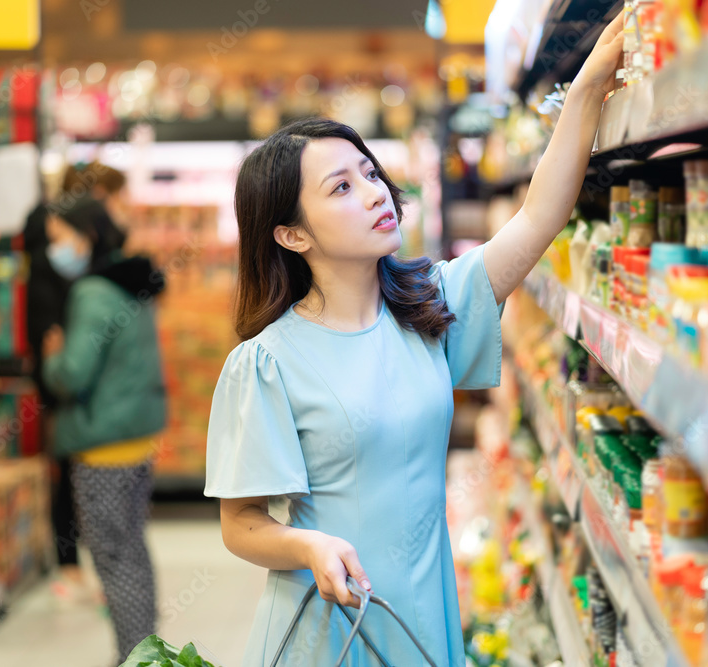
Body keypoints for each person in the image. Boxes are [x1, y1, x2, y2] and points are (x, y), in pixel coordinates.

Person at [203, 16, 623, 667]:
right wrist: (308, 546)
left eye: (369, 173)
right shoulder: (266, 362)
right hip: (332, 621)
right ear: (291, 234)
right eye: (341, 188)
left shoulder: (430, 306)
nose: (375, 193)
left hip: (423, 614)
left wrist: (590, 84)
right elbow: (242, 523)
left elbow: (540, 214)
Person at [40, 196, 168, 664]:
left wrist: (52, 354)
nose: (55, 250)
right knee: (131, 550)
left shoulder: (91, 292)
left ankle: (135, 656)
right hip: (134, 435)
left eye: (58, 239)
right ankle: (146, 653)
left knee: (114, 558)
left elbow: (73, 373)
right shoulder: (128, 281)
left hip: (103, 443)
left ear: (85, 236)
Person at [23, 167, 130, 605]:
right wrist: (57, 361)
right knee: (74, 480)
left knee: (84, 487)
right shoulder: (85, 285)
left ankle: (93, 577)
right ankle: (75, 568)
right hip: (75, 395)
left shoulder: (95, 283)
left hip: (80, 393)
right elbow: (63, 353)